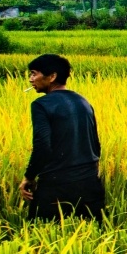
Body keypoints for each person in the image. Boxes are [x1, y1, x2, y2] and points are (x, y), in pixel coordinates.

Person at [21, 54, 105, 221]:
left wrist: (29, 177)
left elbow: (42, 145)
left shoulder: (40, 105)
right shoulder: (83, 101)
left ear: (52, 76)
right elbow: (95, 144)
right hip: (90, 183)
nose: (30, 79)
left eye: (34, 73)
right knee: (92, 238)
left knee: (41, 238)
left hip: (56, 185)